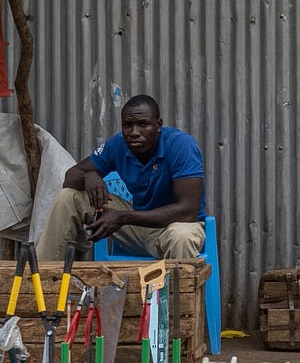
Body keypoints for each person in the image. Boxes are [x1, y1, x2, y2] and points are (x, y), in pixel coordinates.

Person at [36, 95, 207, 261]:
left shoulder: (181, 146)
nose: (134, 132)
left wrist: (123, 217)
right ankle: (40, 279)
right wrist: (90, 175)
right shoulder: (118, 144)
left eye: (143, 125)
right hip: (138, 227)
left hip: (175, 227)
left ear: (159, 125)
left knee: (182, 236)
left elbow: (187, 211)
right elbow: (70, 178)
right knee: (69, 196)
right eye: (128, 125)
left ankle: (175, 291)